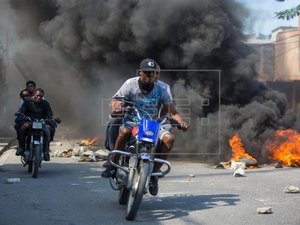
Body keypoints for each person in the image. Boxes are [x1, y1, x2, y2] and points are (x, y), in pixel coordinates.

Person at [102, 58, 188, 196]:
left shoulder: (161, 89)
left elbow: (172, 110)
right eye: (147, 73)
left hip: (152, 124)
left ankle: (154, 176)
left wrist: (181, 121)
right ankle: (113, 163)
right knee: (124, 131)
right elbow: (116, 100)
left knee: (169, 138)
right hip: (133, 121)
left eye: (153, 73)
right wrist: (117, 107)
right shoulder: (130, 84)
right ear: (140, 72)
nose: (150, 76)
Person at [15, 88, 53, 161]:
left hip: (41, 123)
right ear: (34, 95)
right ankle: (22, 148)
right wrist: (23, 117)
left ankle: (46, 152)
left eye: (41, 96)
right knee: (22, 129)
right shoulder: (27, 102)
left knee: (48, 131)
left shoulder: (46, 103)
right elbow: (22, 111)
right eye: (38, 95)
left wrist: (49, 120)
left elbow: (49, 114)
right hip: (30, 122)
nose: (39, 97)